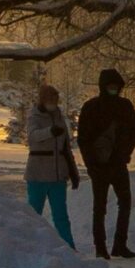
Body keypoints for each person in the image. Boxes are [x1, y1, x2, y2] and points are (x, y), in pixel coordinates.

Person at [76, 67, 135, 259]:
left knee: (120, 204)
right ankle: (103, 247)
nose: (114, 89)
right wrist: (93, 163)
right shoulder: (111, 106)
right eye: (111, 86)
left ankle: (115, 245)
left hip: (112, 164)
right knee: (102, 207)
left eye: (116, 86)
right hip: (104, 165)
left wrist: (124, 153)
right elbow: (83, 139)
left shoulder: (100, 106)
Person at [21, 83, 79, 248]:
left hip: (58, 175)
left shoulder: (59, 117)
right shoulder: (34, 117)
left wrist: (73, 172)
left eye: (55, 98)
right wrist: (49, 132)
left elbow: (66, 148)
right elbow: (32, 137)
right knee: (33, 214)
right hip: (37, 174)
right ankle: (29, 245)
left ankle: (68, 247)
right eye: (49, 98)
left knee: (61, 215)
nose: (53, 101)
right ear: (42, 99)